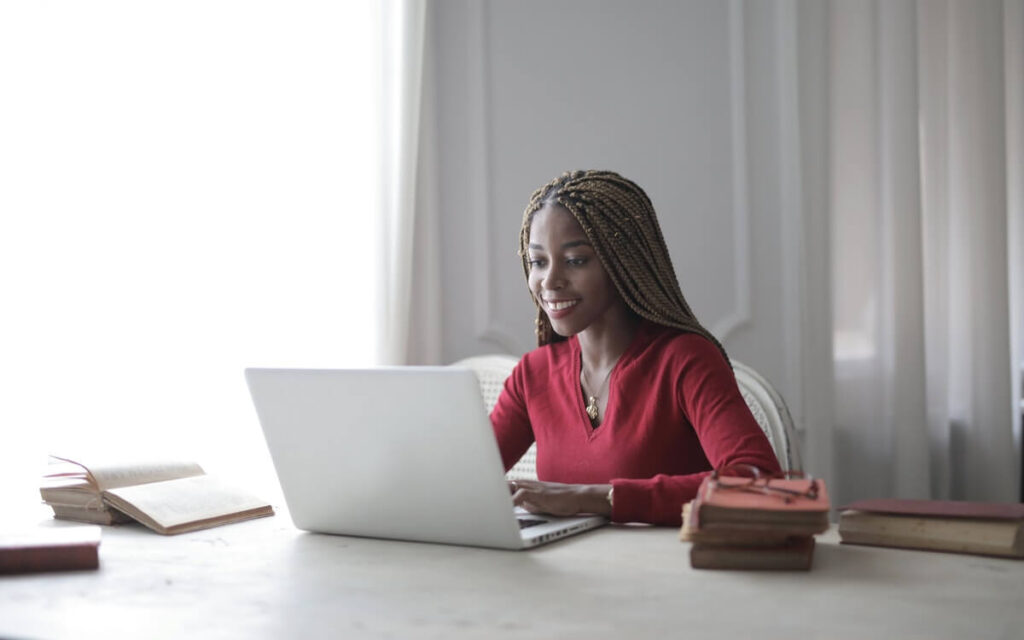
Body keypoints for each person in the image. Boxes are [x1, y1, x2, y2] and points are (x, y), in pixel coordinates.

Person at [489, 170, 781, 526]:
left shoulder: (685, 360)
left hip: (668, 574)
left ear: (622, 261)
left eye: (576, 260)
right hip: (564, 574)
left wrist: (596, 498)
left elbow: (760, 483)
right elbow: (463, 479)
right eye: (538, 262)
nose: (549, 281)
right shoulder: (533, 375)